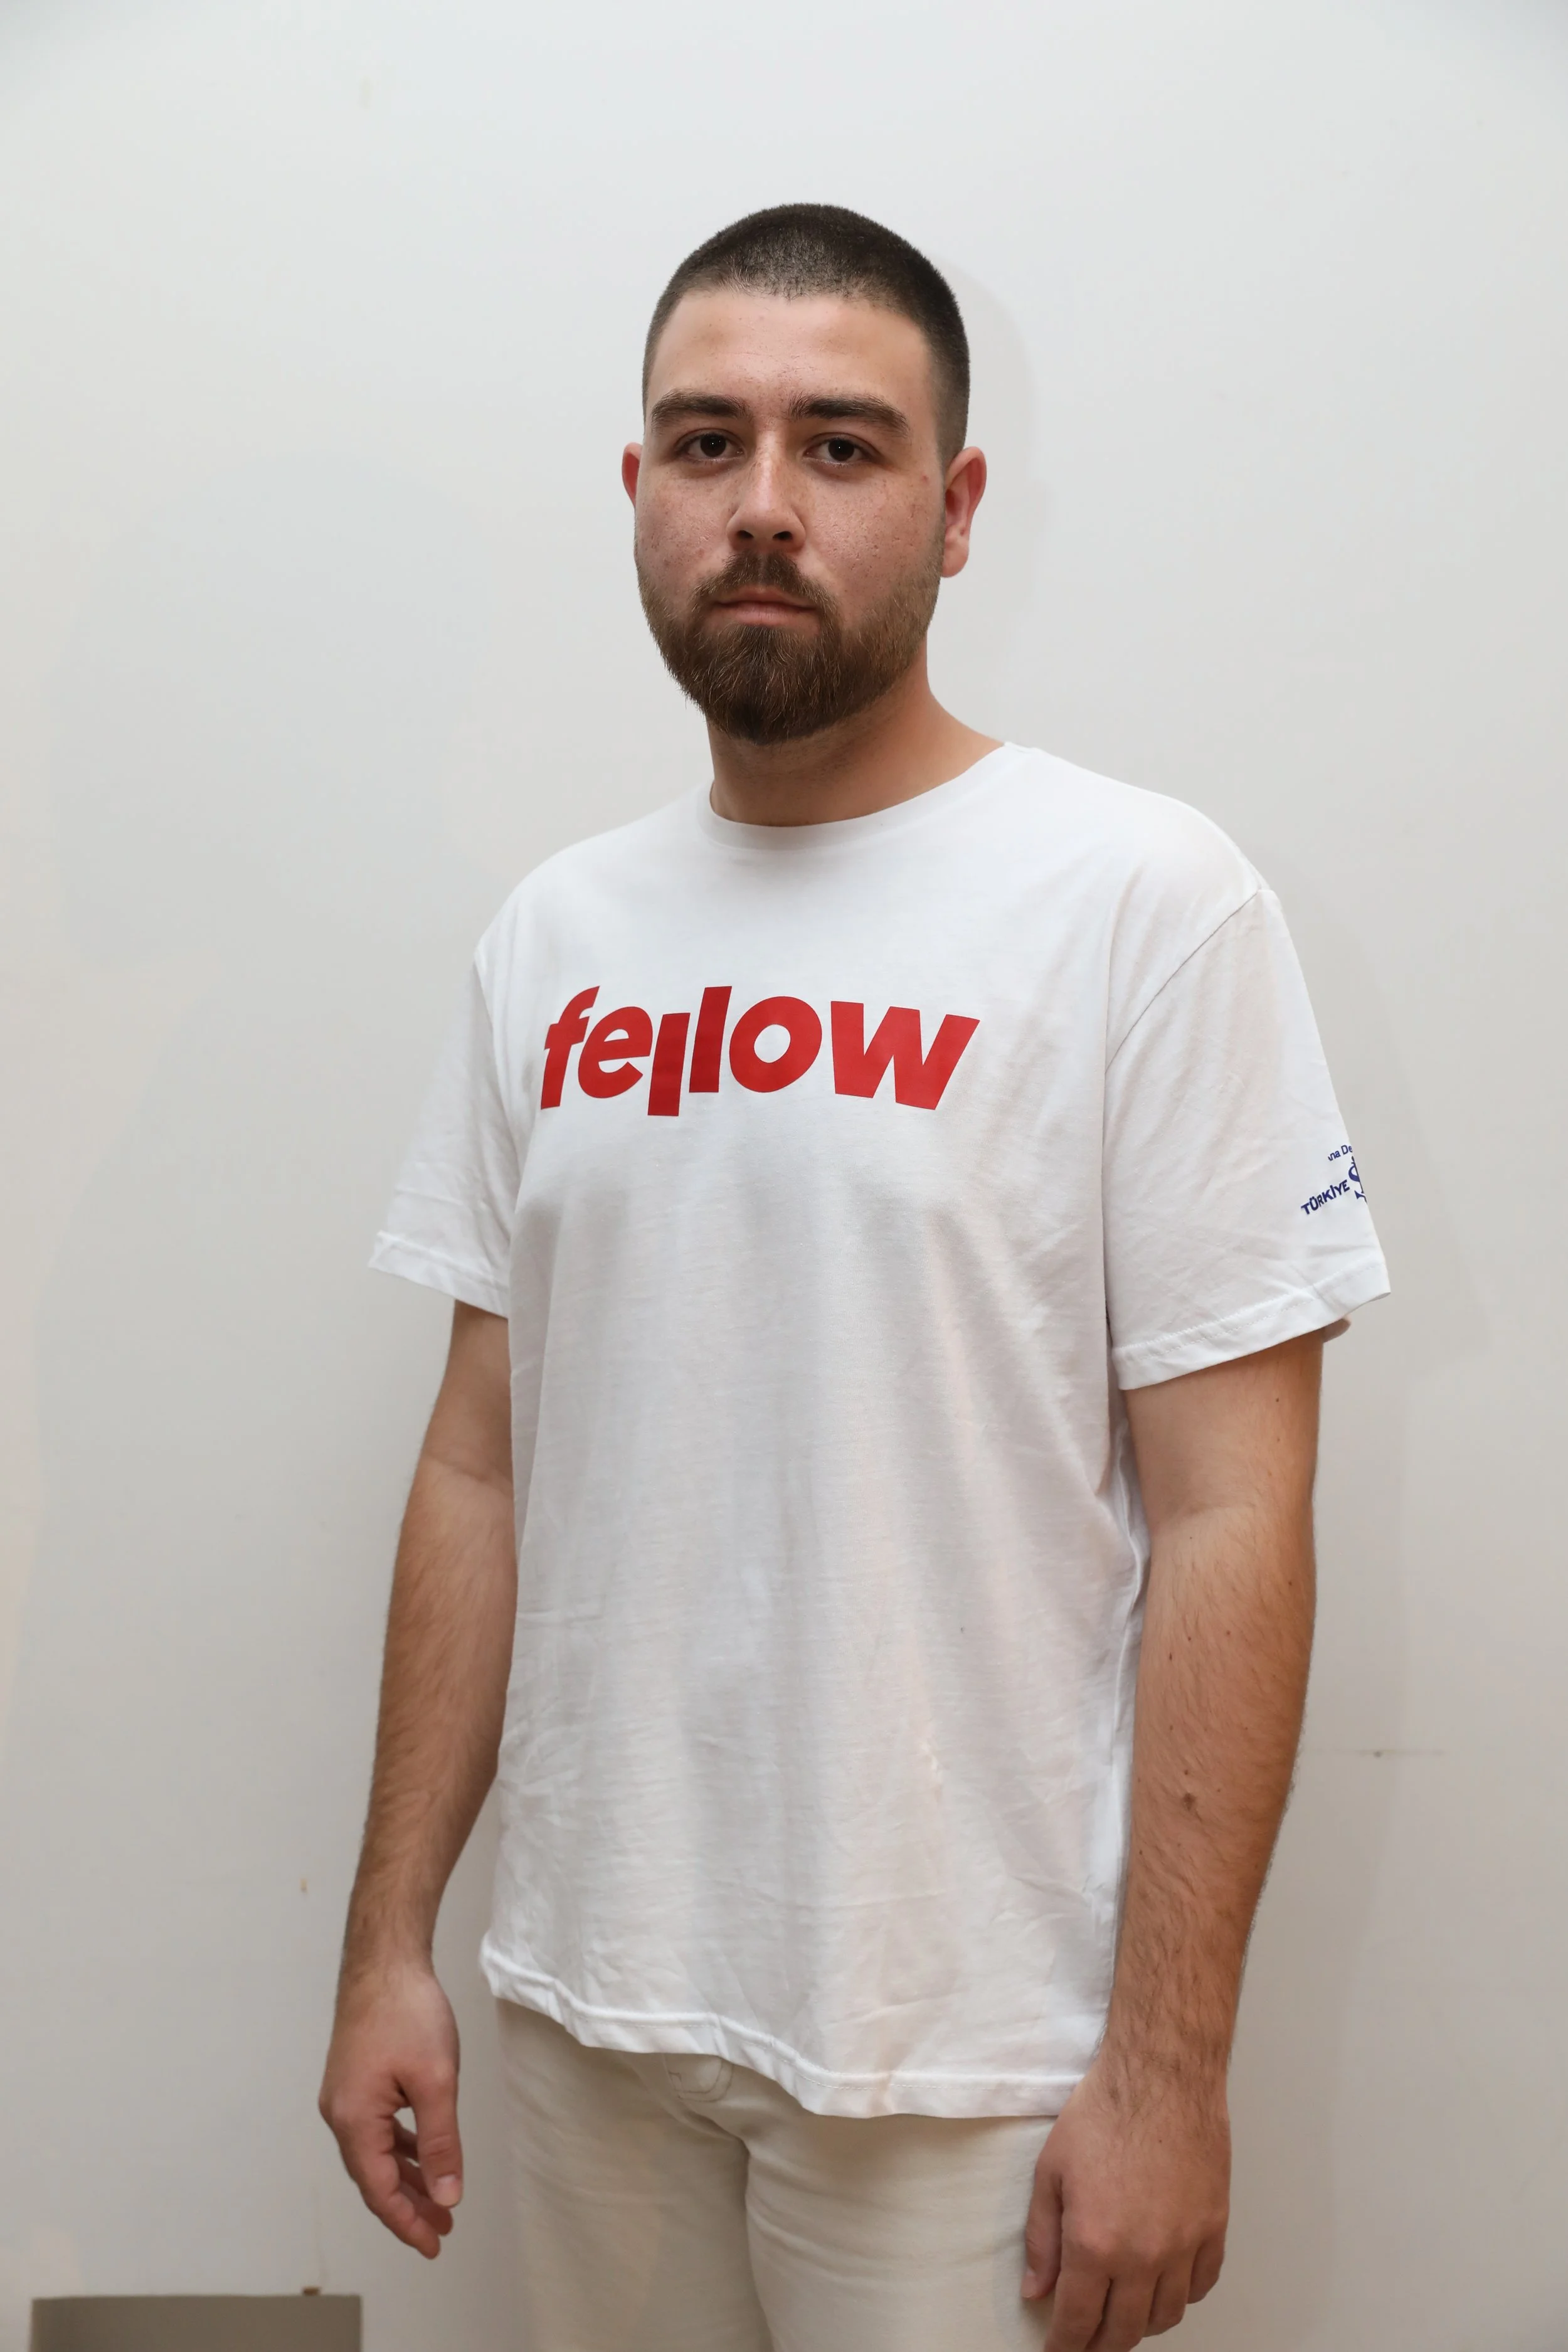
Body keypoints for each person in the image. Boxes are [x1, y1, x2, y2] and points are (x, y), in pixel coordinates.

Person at [319, 203, 1389, 2352]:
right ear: (639, 488)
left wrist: (1166, 2067)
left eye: (840, 444)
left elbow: (1232, 1514)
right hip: (590, 2004)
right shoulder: (556, 936)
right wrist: (388, 1939)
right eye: (706, 442)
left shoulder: (1140, 901)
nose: (763, 504)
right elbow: (477, 1463)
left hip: (966, 2049)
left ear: (957, 507)